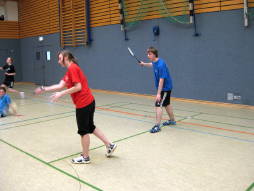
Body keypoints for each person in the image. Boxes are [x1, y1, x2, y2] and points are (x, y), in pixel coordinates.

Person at [34, 50, 117, 164]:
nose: (58, 62)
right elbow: (60, 85)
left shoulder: (73, 68)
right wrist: (44, 88)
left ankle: (86, 157)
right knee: (90, 127)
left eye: (59, 58)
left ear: (66, 57)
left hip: (83, 104)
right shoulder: (70, 71)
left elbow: (78, 87)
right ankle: (109, 145)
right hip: (89, 101)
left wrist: (61, 94)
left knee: (83, 131)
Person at [139, 47, 176, 133]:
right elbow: (152, 64)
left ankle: (157, 125)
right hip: (165, 87)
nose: (148, 55)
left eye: (150, 54)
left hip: (165, 88)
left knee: (158, 105)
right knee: (167, 104)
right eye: (147, 54)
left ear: (154, 54)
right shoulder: (155, 62)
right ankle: (172, 120)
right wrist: (144, 64)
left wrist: (159, 94)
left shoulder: (161, 64)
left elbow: (161, 80)